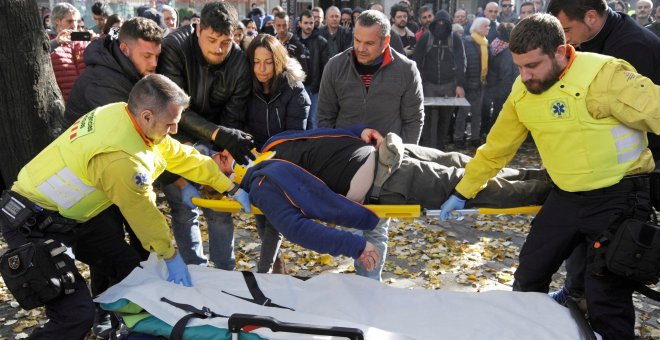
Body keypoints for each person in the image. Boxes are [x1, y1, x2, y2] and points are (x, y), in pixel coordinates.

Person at [439, 13, 660, 339]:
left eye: (533, 66)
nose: (525, 75)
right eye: (519, 67)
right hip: (568, 195)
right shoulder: (522, 91)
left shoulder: (605, 75)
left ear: (561, 50)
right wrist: (463, 190)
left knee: (604, 298)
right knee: (528, 276)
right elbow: (497, 148)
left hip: (619, 195)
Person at [0, 74, 249, 340]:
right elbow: (142, 213)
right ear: (146, 116)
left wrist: (229, 186)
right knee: (75, 315)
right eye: (170, 124)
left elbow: (183, 157)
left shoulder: (122, 115)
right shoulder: (122, 158)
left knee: (133, 270)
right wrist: (170, 255)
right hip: (32, 224)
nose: (174, 130)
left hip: (72, 217)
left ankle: (127, 325)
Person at [212, 126, 550, 274]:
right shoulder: (263, 183)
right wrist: (355, 247)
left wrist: (360, 129)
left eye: (222, 155)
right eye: (216, 165)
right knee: (476, 187)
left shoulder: (271, 147)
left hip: (388, 150)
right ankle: (552, 189)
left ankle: (546, 177)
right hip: (389, 180)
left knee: (466, 165)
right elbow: (297, 230)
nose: (223, 156)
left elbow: (326, 133)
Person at [543, 0, 660, 309]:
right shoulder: (598, 37)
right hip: (607, 161)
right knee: (589, 233)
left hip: (640, 163)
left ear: (592, 17)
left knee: (611, 244)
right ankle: (578, 291)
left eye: (566, 30)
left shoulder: (632, 48)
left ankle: (596, 304)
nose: (565, 41)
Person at [318, 10, 424, 280]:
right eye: (357, 40)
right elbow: (325, 117)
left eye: (369, 43)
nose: (360, 48)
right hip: (346, 163)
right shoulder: (335, 66)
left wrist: (403, 157)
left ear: (385, 41)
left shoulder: (406, 69)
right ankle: (361, 276)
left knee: (376, 228)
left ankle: (370, 285)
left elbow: (414, 118)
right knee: (351, 226)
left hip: (386, 165)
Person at [157, 2, 253, 270]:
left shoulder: (238, 62)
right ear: (197, 28)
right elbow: (174, 108)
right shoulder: (174, 47)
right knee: (183, 207)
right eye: (211, 40)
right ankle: (194, 269)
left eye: (225, 41)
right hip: (175, 137)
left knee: (219, 208)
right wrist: (212, 136)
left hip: (215, 140)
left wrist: (224, 149)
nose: (218, 49)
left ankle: (224, 271)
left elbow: (233, 117)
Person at [66, 17, 163, 122]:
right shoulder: (103, 81)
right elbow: (128, 128)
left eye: (157, 56)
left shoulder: (118, 67)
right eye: (147, 56)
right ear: (125, 49)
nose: (154, 63)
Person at [412, 10, 466, 149]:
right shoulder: (425, 38)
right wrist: (417, 85)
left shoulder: (455, 39)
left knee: (445, 119)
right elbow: (416, 62)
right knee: (427, 118)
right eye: (439, 23)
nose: (441, 25)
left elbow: (461, 63)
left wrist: (460, 85)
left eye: (444, 23)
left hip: (449, 85)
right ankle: (427, 147)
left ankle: (440, 146)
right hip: (428, 85)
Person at [245, 34, 310, 148]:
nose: (262, 69)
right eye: (256, 62)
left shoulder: (294, 88)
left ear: (278, 62)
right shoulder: (243, 84)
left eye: (269, 62)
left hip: (282, 156)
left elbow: (294, 137)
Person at [455, 17, 489, 149]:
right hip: (468, 84)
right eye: (486, 26)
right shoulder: (467, 41)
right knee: (462, 114)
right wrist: (460, 83)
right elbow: (462, 63)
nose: (488, 29)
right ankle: (458, 138)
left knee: (477, 113)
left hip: (480, 84)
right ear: (478, 28)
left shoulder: (485, 43)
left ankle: (475, 137)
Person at [49, 2, 90, 103]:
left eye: (76, 21)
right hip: (63, 105)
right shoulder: (47, 40)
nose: (74, 25)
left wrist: (97, 41)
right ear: (57, 21)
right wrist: (56, 43)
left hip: (88, 103)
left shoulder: (83, 41)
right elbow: (41, 53)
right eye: (70, 21)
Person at [297, 10, 329, 130]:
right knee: (298, 119)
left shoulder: (321, 42)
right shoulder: (294, 41)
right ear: (300, 23)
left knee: (313, 120)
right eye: (306, 23)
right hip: (297, 86)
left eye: (311, 23)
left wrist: (320, 86)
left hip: (314, 88)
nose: (309, 26)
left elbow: (326, 67)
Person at [484, 22, 518, 136]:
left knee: (494, 114)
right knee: (499, 115)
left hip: (492, 86)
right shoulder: (507, 51)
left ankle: (487, 133)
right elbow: (507, 73)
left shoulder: (493, 45)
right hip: (502, 88)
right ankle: (494, 135)